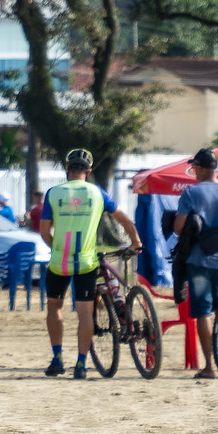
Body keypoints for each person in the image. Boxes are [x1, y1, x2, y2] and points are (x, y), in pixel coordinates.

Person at [37, 148, 141, 378]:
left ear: (67, 170)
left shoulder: (53, 193)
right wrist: (136, 241)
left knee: (55, 307)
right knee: (86, 313)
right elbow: (124, 220)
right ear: (89, 171)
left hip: (59, 262)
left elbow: (44, 231)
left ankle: (57, 359)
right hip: (86, 261)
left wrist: (57, 247)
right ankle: (81, 364)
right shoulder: (97, 193)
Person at [174, 147, 218, 381]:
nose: (193, 170)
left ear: (201, 168)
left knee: (203, 311)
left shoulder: (190, 193)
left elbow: (178, 227)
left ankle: (208, 367)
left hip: (199, 260)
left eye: (194, 166)